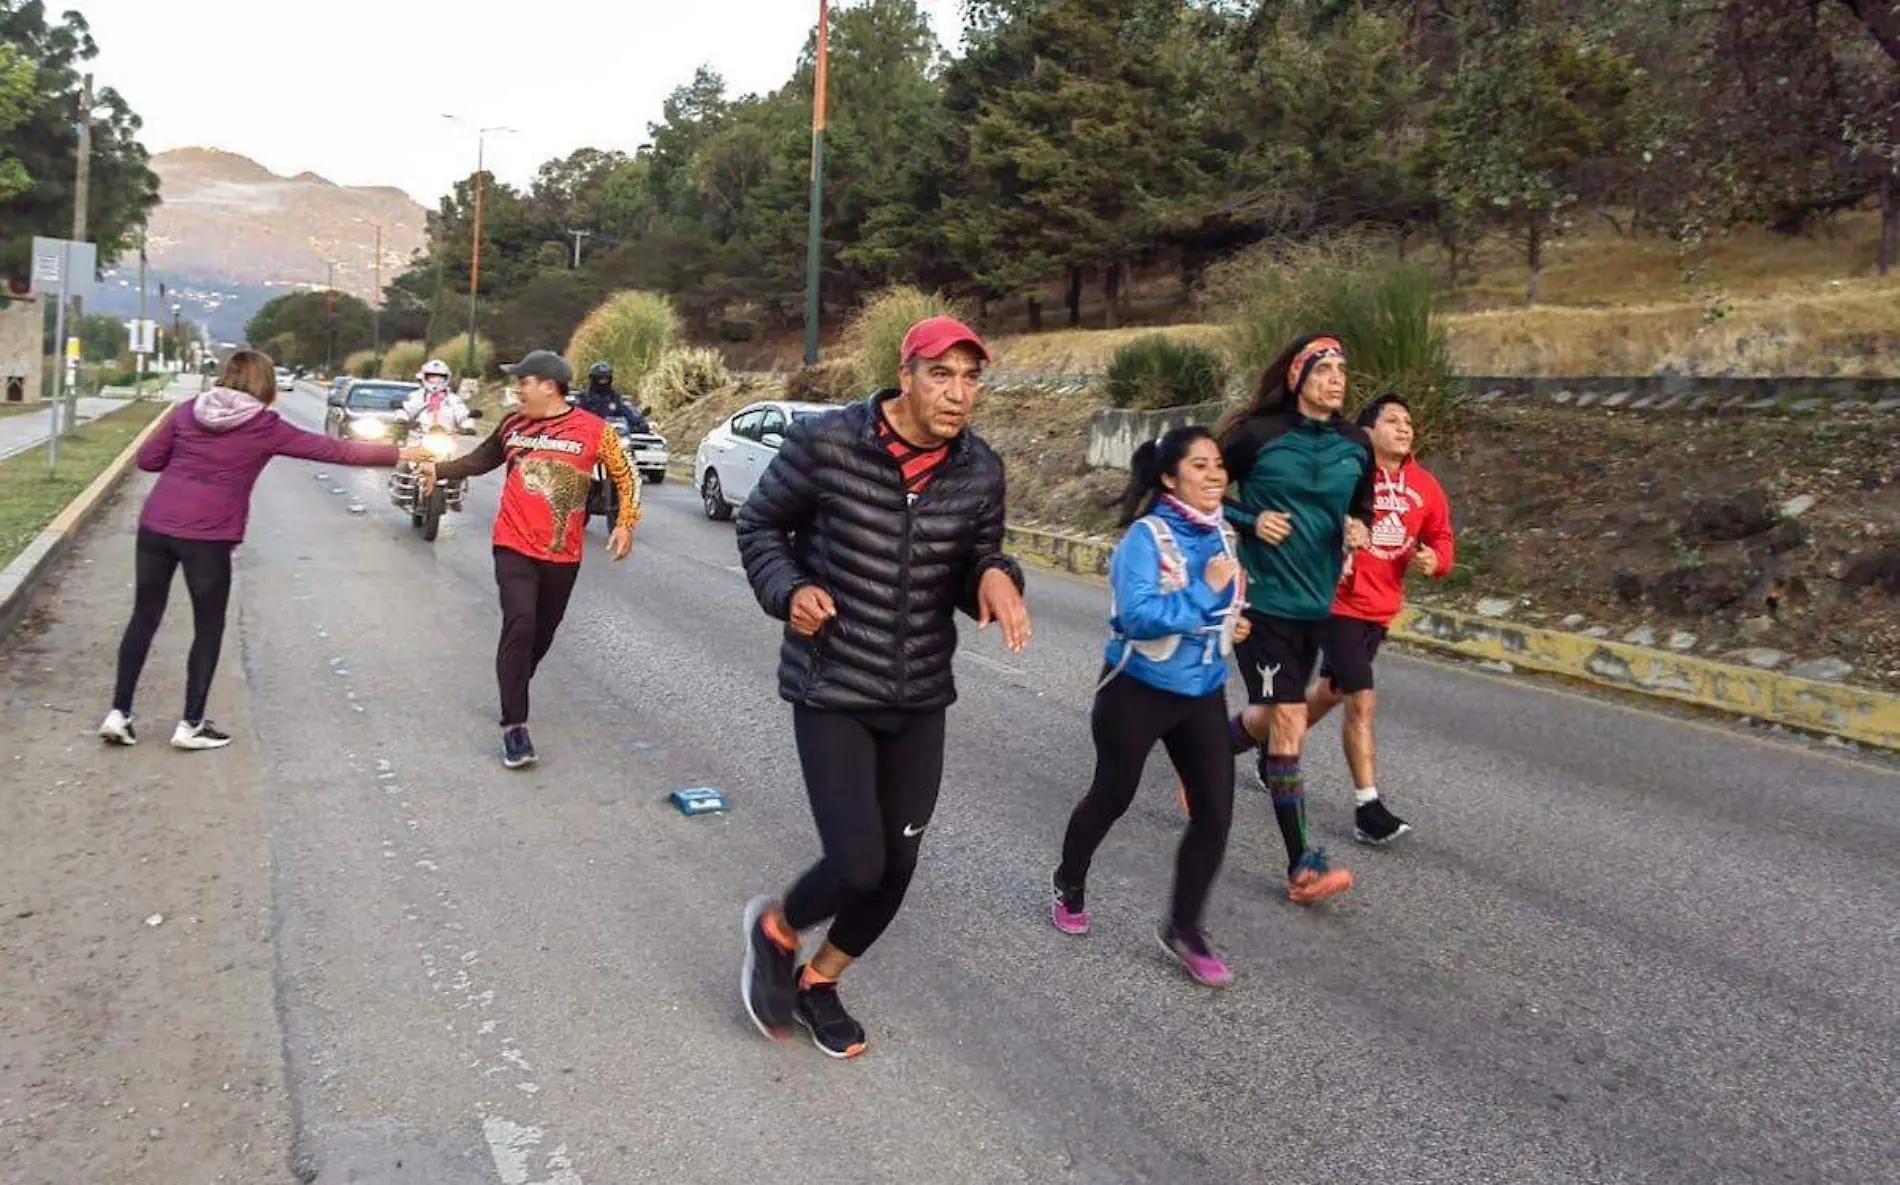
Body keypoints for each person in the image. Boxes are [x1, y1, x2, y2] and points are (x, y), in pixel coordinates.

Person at [736, 315, 1030, 1059]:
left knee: (899, 862)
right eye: (942, 374)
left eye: (971, 378)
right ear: (906, 375)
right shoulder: (828, 443)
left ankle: (820, 982)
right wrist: (789, 587)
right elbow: (760, 524)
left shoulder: (979, 470)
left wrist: (997, 576)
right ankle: (776, 927)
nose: (958, 393)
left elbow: (980, 554)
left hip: (920, 690)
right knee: (858, 861)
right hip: (832, 679)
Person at [100, 349, 430, 750]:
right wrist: (402, 453)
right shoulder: (263, 425)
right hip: (208, 536)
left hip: (156, 527)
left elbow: (149, 460)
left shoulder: (188, 411)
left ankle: (119, 713)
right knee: (207, 627)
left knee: (144, 617)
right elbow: (333, 450)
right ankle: (190, 724)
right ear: (266, 384)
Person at [1050, 426, 1253, 988]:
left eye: (1219, 465)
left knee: (1215, 813)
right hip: (1135, 691)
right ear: (1170, 478)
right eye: (1200, 466)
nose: (1216, 475)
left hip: (1202, 692)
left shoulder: (1224, 535)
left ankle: (1184, 928)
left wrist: (1233, 617)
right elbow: (1135, 618)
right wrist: (1209, 594)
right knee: (1111, 797)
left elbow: (1223, 602)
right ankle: (1069, 879)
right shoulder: (1146, 537)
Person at [419, 349, 638, 768]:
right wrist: (440, 470)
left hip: (562, 553)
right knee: (520, 622)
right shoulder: (512, 426)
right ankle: (514, 725)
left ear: (549, 387)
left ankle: (515, 678)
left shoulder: (594, 430)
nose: (517, 390)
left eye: (524, 382)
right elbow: (479, 460)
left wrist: (625, 523)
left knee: (542, 633)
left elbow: (627, 476)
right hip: (512, 544)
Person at [1215, 333, 1374, 904]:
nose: (1337, 379)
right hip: (1261, 604)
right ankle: (1302, 864)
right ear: (1297, 377)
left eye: (1342, 369)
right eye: (1325, 368)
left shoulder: (1356, 444)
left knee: (1265, 717)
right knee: (1286, 722)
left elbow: (1363, 509)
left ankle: (1202, 754)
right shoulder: (1257, 436)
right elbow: (1204, 490)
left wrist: (1358, 528)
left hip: (1317, 604)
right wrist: (1249, 519)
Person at [1309, 393, 1454, 845]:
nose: (1404, 427)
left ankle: (1259, 741)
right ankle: (1367, 808)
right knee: (1361, 699)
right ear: (1368, 429)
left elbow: (1441, 537)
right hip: (1335, 604)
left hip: (1380, 607)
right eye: (1392, 420)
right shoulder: (1343, 474)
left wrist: (1436, 561)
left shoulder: (1425, 486)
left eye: (1408, 421)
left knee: (1333, 691)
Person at [402, 358, 474, 433]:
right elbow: (406, 411)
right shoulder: (416, 396)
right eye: (432, 377)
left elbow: (462, 414)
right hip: (419, 435)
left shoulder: (453, 399)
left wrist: (468, 427)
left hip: (446, 437)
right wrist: (403, 420)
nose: (436, 381)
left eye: (440, 378)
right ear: (424, 377)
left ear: (447, 378)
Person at [575, 361, 646, 430]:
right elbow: (576, 416)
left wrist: (638, 422)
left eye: (606, 379)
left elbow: (625, 411)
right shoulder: (584, 397)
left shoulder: (614, 396)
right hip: (589, 433)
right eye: (600, 379)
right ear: (593, 379)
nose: (603, 382)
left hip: (613, 433)